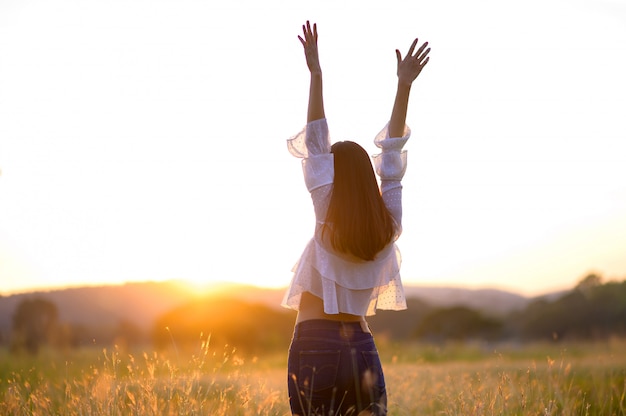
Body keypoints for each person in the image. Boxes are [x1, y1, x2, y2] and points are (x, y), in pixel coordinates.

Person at [283, 21, 430, 416]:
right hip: (362, 347)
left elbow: (315, 143)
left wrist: (316, 75)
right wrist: (404, 88)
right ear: (368, 176)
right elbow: (393, 160)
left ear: (333, 177)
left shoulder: (327, 209)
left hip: (315, 342)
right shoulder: (387, 223)